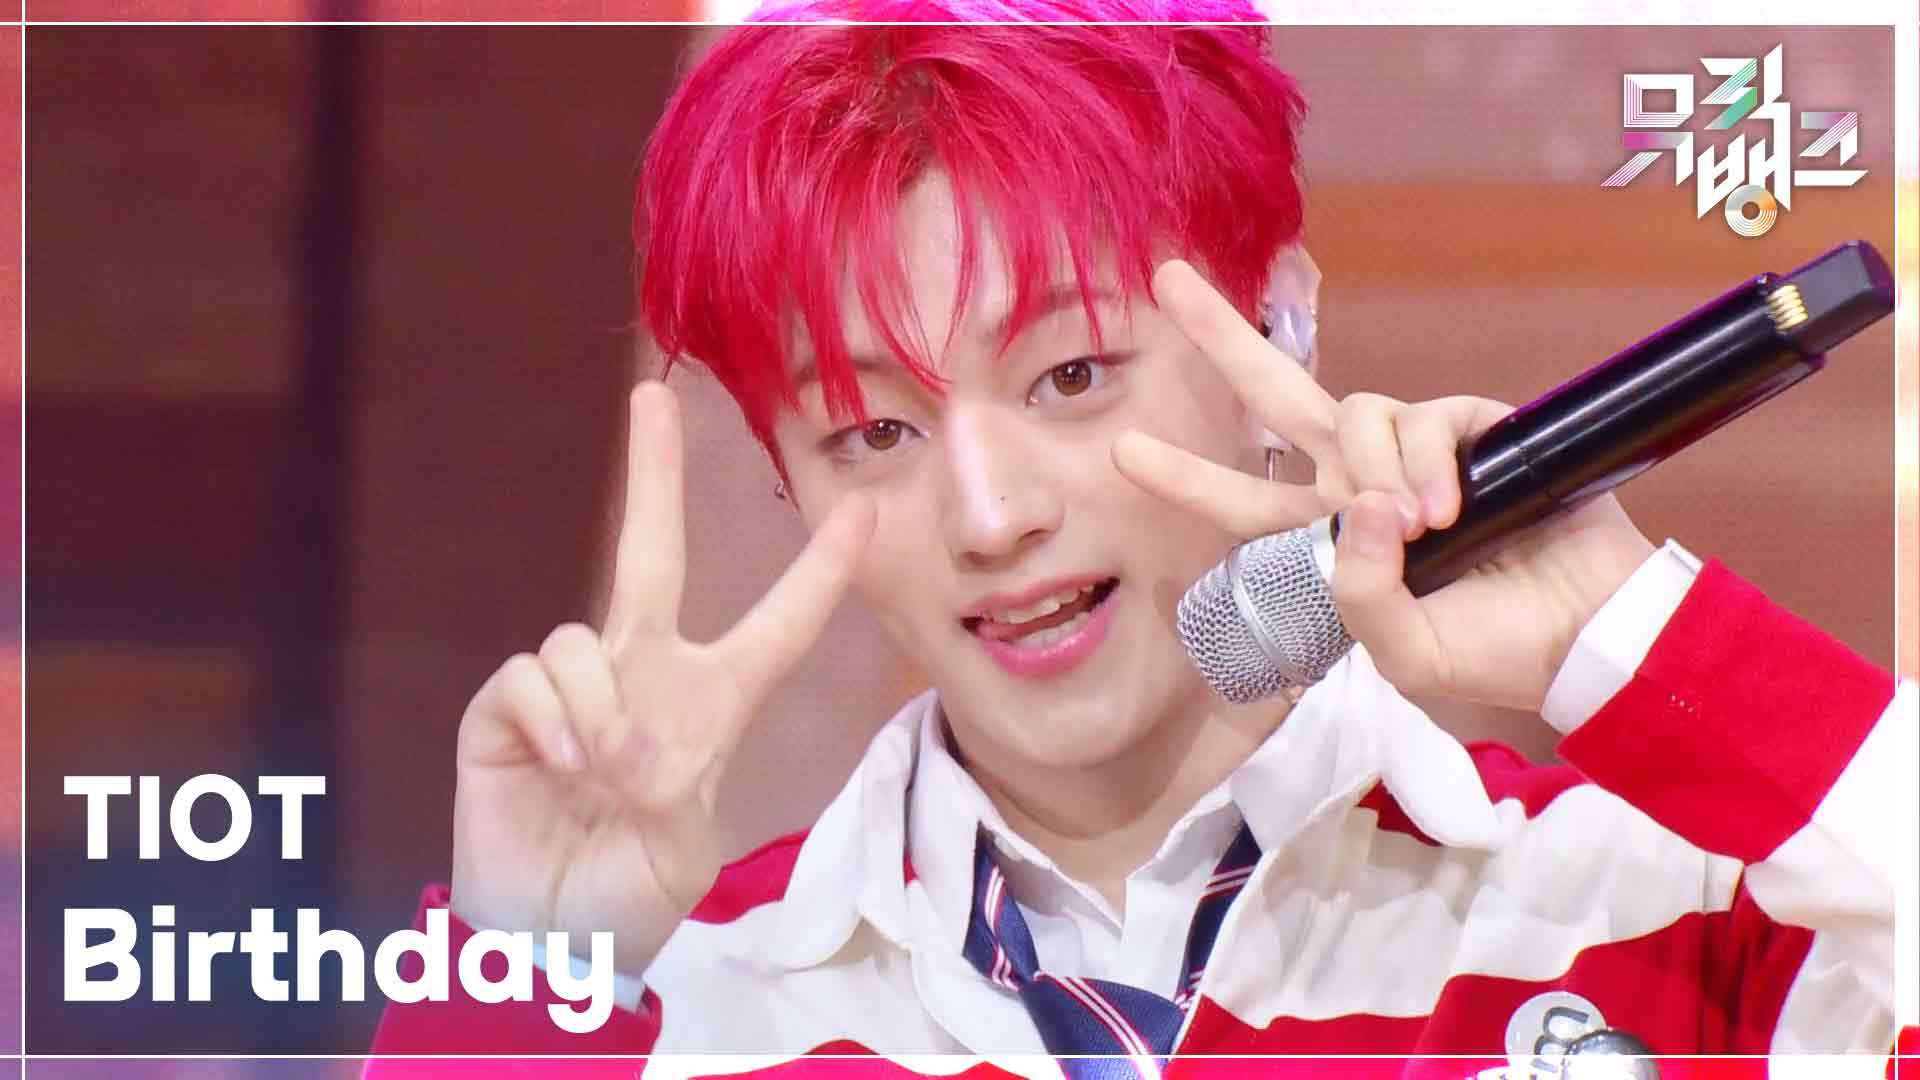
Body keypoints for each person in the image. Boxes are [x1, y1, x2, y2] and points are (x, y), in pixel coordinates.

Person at [368, 3, 1912, 1074]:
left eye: (1070, 375)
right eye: (875, 433)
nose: (992, 516)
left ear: (1277, 316)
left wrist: (1635, 638)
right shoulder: (690, 1005)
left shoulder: (1670, 903)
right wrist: (526, 980)